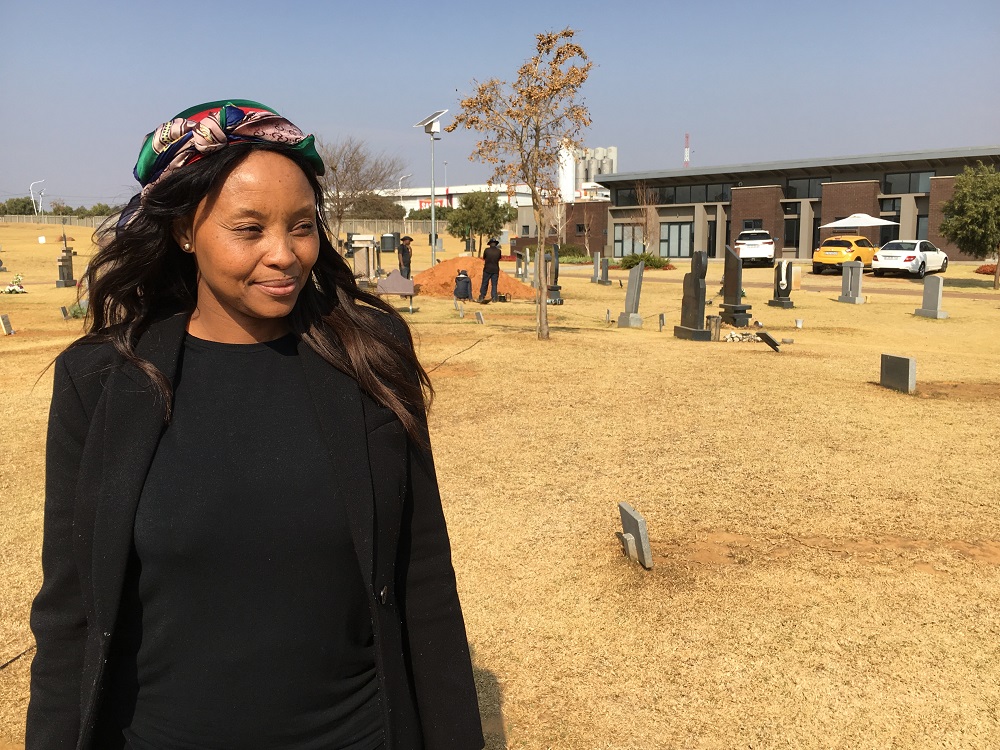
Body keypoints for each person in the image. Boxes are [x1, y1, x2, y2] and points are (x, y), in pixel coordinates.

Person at [27, 100, 483, 750]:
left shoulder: (369, 356)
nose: (285, 254)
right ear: (184, 231)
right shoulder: (101, 381)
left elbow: (424, 577)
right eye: (249, 229)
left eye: (302, 226)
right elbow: (70, 608)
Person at [477, 239, 502, 303]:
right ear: (495, 244)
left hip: (487, 269)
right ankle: (494, 298)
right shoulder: (499, 251)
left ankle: (482, 296)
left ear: (490, 244)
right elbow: (499, 258)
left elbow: (484, 257)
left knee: (484, 283)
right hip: (495, 270)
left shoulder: (487, 250)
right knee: (494, 284)